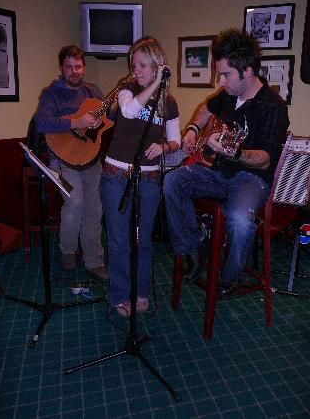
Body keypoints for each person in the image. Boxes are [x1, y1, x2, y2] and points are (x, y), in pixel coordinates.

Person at [163, 28, 289, 298]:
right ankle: (195, 246)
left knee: (239, 221)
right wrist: (193, 129)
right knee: (174, 180)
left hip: (252, 179)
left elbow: (265, 159)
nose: (221, 81)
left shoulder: (273, 107)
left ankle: (230, 277)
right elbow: (207, 108)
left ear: (247, 71)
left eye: (226, 74)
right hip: (220, 173)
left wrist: (235, 153)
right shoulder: (230, 95)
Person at [101, 36, 181, 317]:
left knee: (142, 240)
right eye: (134, 65)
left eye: (143, 65)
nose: (137, 71)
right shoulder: (126, 90)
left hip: (148, 179)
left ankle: (141, 291)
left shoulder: (168, 103)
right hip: (116, 176)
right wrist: (155, 84)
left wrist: (164, 146)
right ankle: (120, 294)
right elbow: (129, 110)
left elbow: (176, 141)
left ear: (157, 65)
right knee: (119, 240)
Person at [34, 45, 108, 281]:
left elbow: (109, 119)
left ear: (83, 67)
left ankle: (94, 260)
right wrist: (75, 122)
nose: (75, 71)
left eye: (78, 66)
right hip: (62, 157)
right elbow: (42, 124)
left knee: (95, 208)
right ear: (61, 69)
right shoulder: (51, 94)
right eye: (69, 67)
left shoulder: (93, 91)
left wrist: (100, 121)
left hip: (90, 156)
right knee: (75, 203)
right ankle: (68, 250)